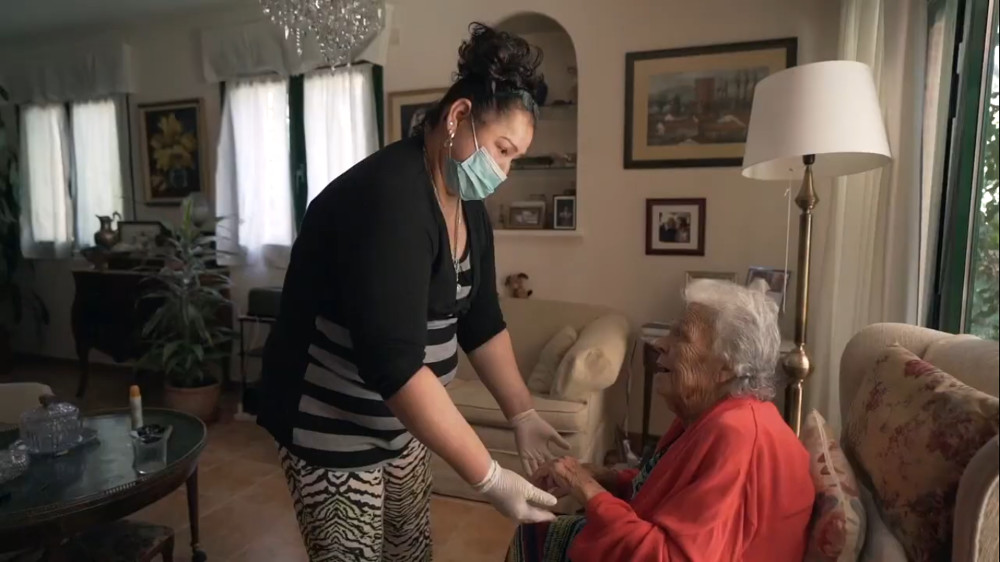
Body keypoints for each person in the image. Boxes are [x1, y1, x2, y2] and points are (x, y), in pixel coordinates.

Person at [257, 23, 569, 561]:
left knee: (409, 551)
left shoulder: (466, 203)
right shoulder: (390, 199)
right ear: (458, 117)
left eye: (514, 157)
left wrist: (522, 414)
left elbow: (482, 320)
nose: (505, 171)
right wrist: (490, 477)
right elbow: (394, 364)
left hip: (402, 425)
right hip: (332, 425)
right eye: (501, 149)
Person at [507, 280, 815, 562]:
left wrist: (584, 487)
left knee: (541, 538)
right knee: (536, 533)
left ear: (726, 367)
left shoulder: (738, 435)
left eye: (681, 336)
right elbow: (667, 492)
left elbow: (670, 557)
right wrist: (602, 477)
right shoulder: (711, 415)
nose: (660, 344)